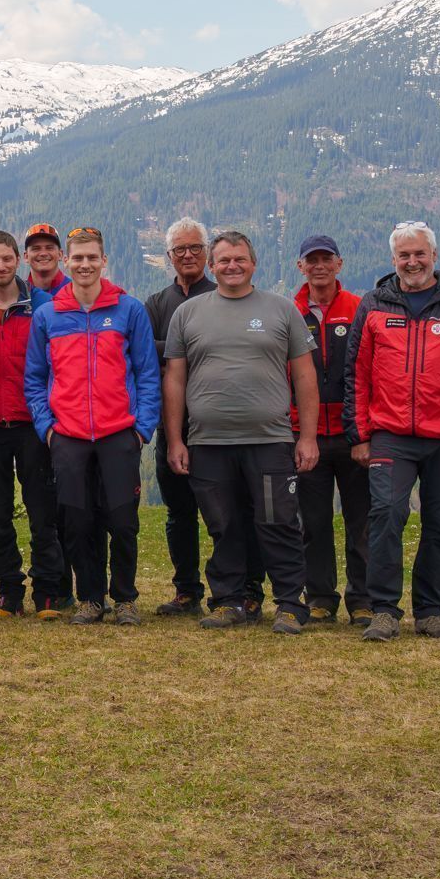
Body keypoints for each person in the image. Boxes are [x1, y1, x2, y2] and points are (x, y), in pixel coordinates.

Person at [344, 220, 440, 642]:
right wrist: (359, 434)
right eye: (404, 255)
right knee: (386, 515)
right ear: (393, 260)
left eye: (420, 254)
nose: (413, 262)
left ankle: (430, 611)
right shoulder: (374, 303)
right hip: (390, 433)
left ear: (434, 256)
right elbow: (356, 373)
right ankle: (384, 610)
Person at [164, 230, 319, 635]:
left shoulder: (282, 310)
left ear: (254, 263)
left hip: (270, 439)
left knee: (278, 522)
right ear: (211, 267)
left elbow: (305, 376)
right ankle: (230, 600)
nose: (232, 266)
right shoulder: (189, 314)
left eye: (240, 259)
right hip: (208, 443)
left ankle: (289, 603)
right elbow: (175, 380)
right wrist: (176, 439)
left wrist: (307, 436)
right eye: (224, 260)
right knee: (223, 524)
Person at [26, 228, 160, 625]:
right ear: (67, 263)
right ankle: (89, 598)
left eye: (92, 257)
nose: (84, 264)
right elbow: (34, 378)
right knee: (77, 521)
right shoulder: (48, 315)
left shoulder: (128, 310)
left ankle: (125, 599)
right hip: (67, 436)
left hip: (119, 433)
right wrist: (47, 429)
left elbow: (148, 375)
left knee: (122, 521)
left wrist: (142, 429)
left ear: (104, 261)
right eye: (77, 258)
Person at [0, 229, 68, 618]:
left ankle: (47, 592)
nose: (1, 266)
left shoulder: (43, 305)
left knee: (43, 513)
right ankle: (9, 591)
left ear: (18, 260)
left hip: (33, 425)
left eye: (7, 259)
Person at [292, 234, 370, 626]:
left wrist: (365, 431)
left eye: (327, 259)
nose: (319, 265)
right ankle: (320, 596)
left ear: (339, 264)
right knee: (314, 521)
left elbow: (372, 371)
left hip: (353, 433)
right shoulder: (289, 311)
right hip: (305, 434)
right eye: (312, 260)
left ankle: (363, 599)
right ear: (300, 267)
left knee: (362, 520)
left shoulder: (359, 308)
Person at [146, 218, 222, 617]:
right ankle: (187, 591)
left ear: (207, 253)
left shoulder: (223, 294)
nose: (188, 255)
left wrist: (172, 350)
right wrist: (193, 347)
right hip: (172, 424)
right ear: (169, 257)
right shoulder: (158, 303)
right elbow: (143, 351)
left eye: (195, 248)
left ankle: (230, 589)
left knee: (222, 512)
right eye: (180, 250)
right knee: (179, 513)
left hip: (217, 425)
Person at [21, 223, 68, 299]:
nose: (43, 253)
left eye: (49, 248)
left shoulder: (76, 291)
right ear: (26, 256)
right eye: (36, 248)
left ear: (60, 254)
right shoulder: (18, 294)